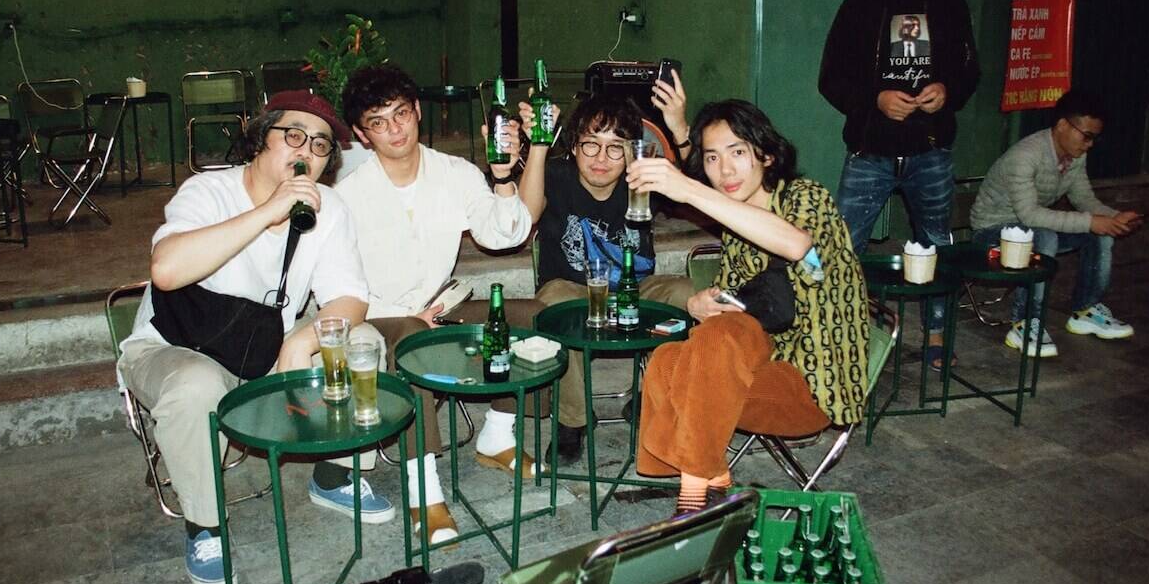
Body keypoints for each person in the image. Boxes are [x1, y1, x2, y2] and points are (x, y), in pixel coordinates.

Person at [118, 91, 388, 584]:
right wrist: (267, 212)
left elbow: (350, 297)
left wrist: (301, 342)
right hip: (176, 348)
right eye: (293, 135)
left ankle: (335, 477)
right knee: (196, 384)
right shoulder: (207, 191)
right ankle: (205, 527)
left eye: (321, 144)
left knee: (361, 342)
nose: (306, 151)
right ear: (261, 138)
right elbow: (166, 270)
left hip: (263, 346)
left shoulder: (328, 208)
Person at [626, 100, 869, 514]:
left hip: (814, 385)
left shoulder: (807, 198)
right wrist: (700, 302)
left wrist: (689, 190)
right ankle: (712, 477)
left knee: (717, 341)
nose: (725, 170)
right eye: (712, 158)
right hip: (764, 365)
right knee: (669, 359)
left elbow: (796, 245)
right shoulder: (735, 227)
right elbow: (735, 304)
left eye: (737, 152)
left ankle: (694, 494)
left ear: (767, 155)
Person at [335, 64, 541, 548]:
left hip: (441, 308)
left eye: (401, 114)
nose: (395, 130)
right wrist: (407, 314)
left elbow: (505, 236)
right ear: (363, 135)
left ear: (418, 111)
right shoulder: (347, 197)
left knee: (531, 318)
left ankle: (497, 434)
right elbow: (338, 286)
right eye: (378, 122)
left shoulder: (455, 173)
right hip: (379, 318)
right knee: (412, 338)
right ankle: (422, 489)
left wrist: (503, 177)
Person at [818, 0, 981, 371]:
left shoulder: (950, 6)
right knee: (844, 247)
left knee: (936, 245)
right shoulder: (857, 9)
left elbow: (970, 72)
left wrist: (947, 92)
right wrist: (876, 100)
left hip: (931, 150)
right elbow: (830, 80)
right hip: (870, 151)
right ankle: (839, 334)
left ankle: (936, 334)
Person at [517, 86, 693, 465]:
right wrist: (538, 146)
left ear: (631, 151)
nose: (601, 158)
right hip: (573, 292)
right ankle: (573, 420)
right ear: (574, 146)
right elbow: (524, 217)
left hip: (636, 292)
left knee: (687, 293)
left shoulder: (642, 179)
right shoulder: (556, 176)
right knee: (554, 302)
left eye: (615, 147)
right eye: (591, 144)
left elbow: (700, 188)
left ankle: (653, 396)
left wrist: (680, 131)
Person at [970, 90, 1142, 357]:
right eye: (1086, 136)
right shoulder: (1026, 155)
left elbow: (1083, 198)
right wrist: (1091, 222)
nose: (1089, 144)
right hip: (991, 234)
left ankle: (1085, 310)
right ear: (1062, 125)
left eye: (1094, 138)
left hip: (1032, 230)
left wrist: (1113, 218)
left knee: (1100, 235)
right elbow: (1030, 216)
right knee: (1046, 238)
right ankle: (1025, 322)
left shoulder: (1075, 155)